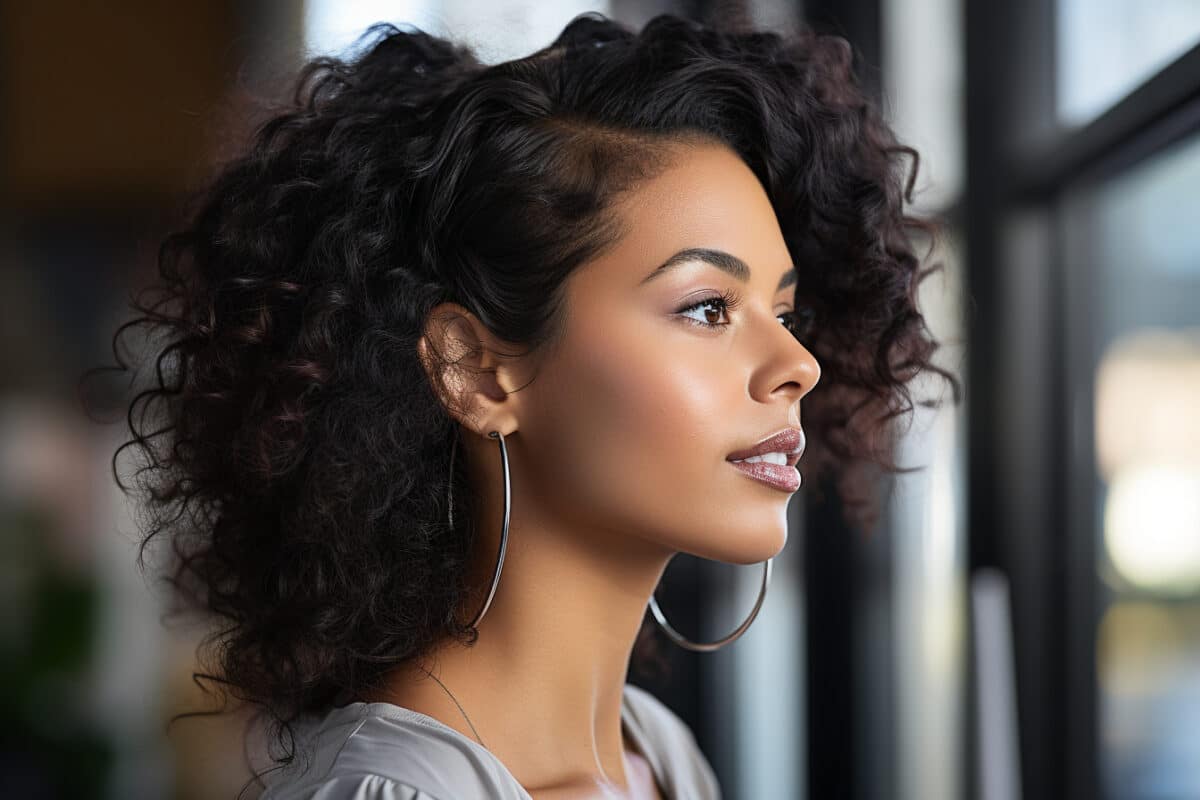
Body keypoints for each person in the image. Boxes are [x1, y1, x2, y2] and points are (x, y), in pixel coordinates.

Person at [98, 9, 961, 799]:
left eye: (783, 311)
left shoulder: (658, 757)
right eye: (707, 308)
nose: (798, 363)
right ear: (475, 373)